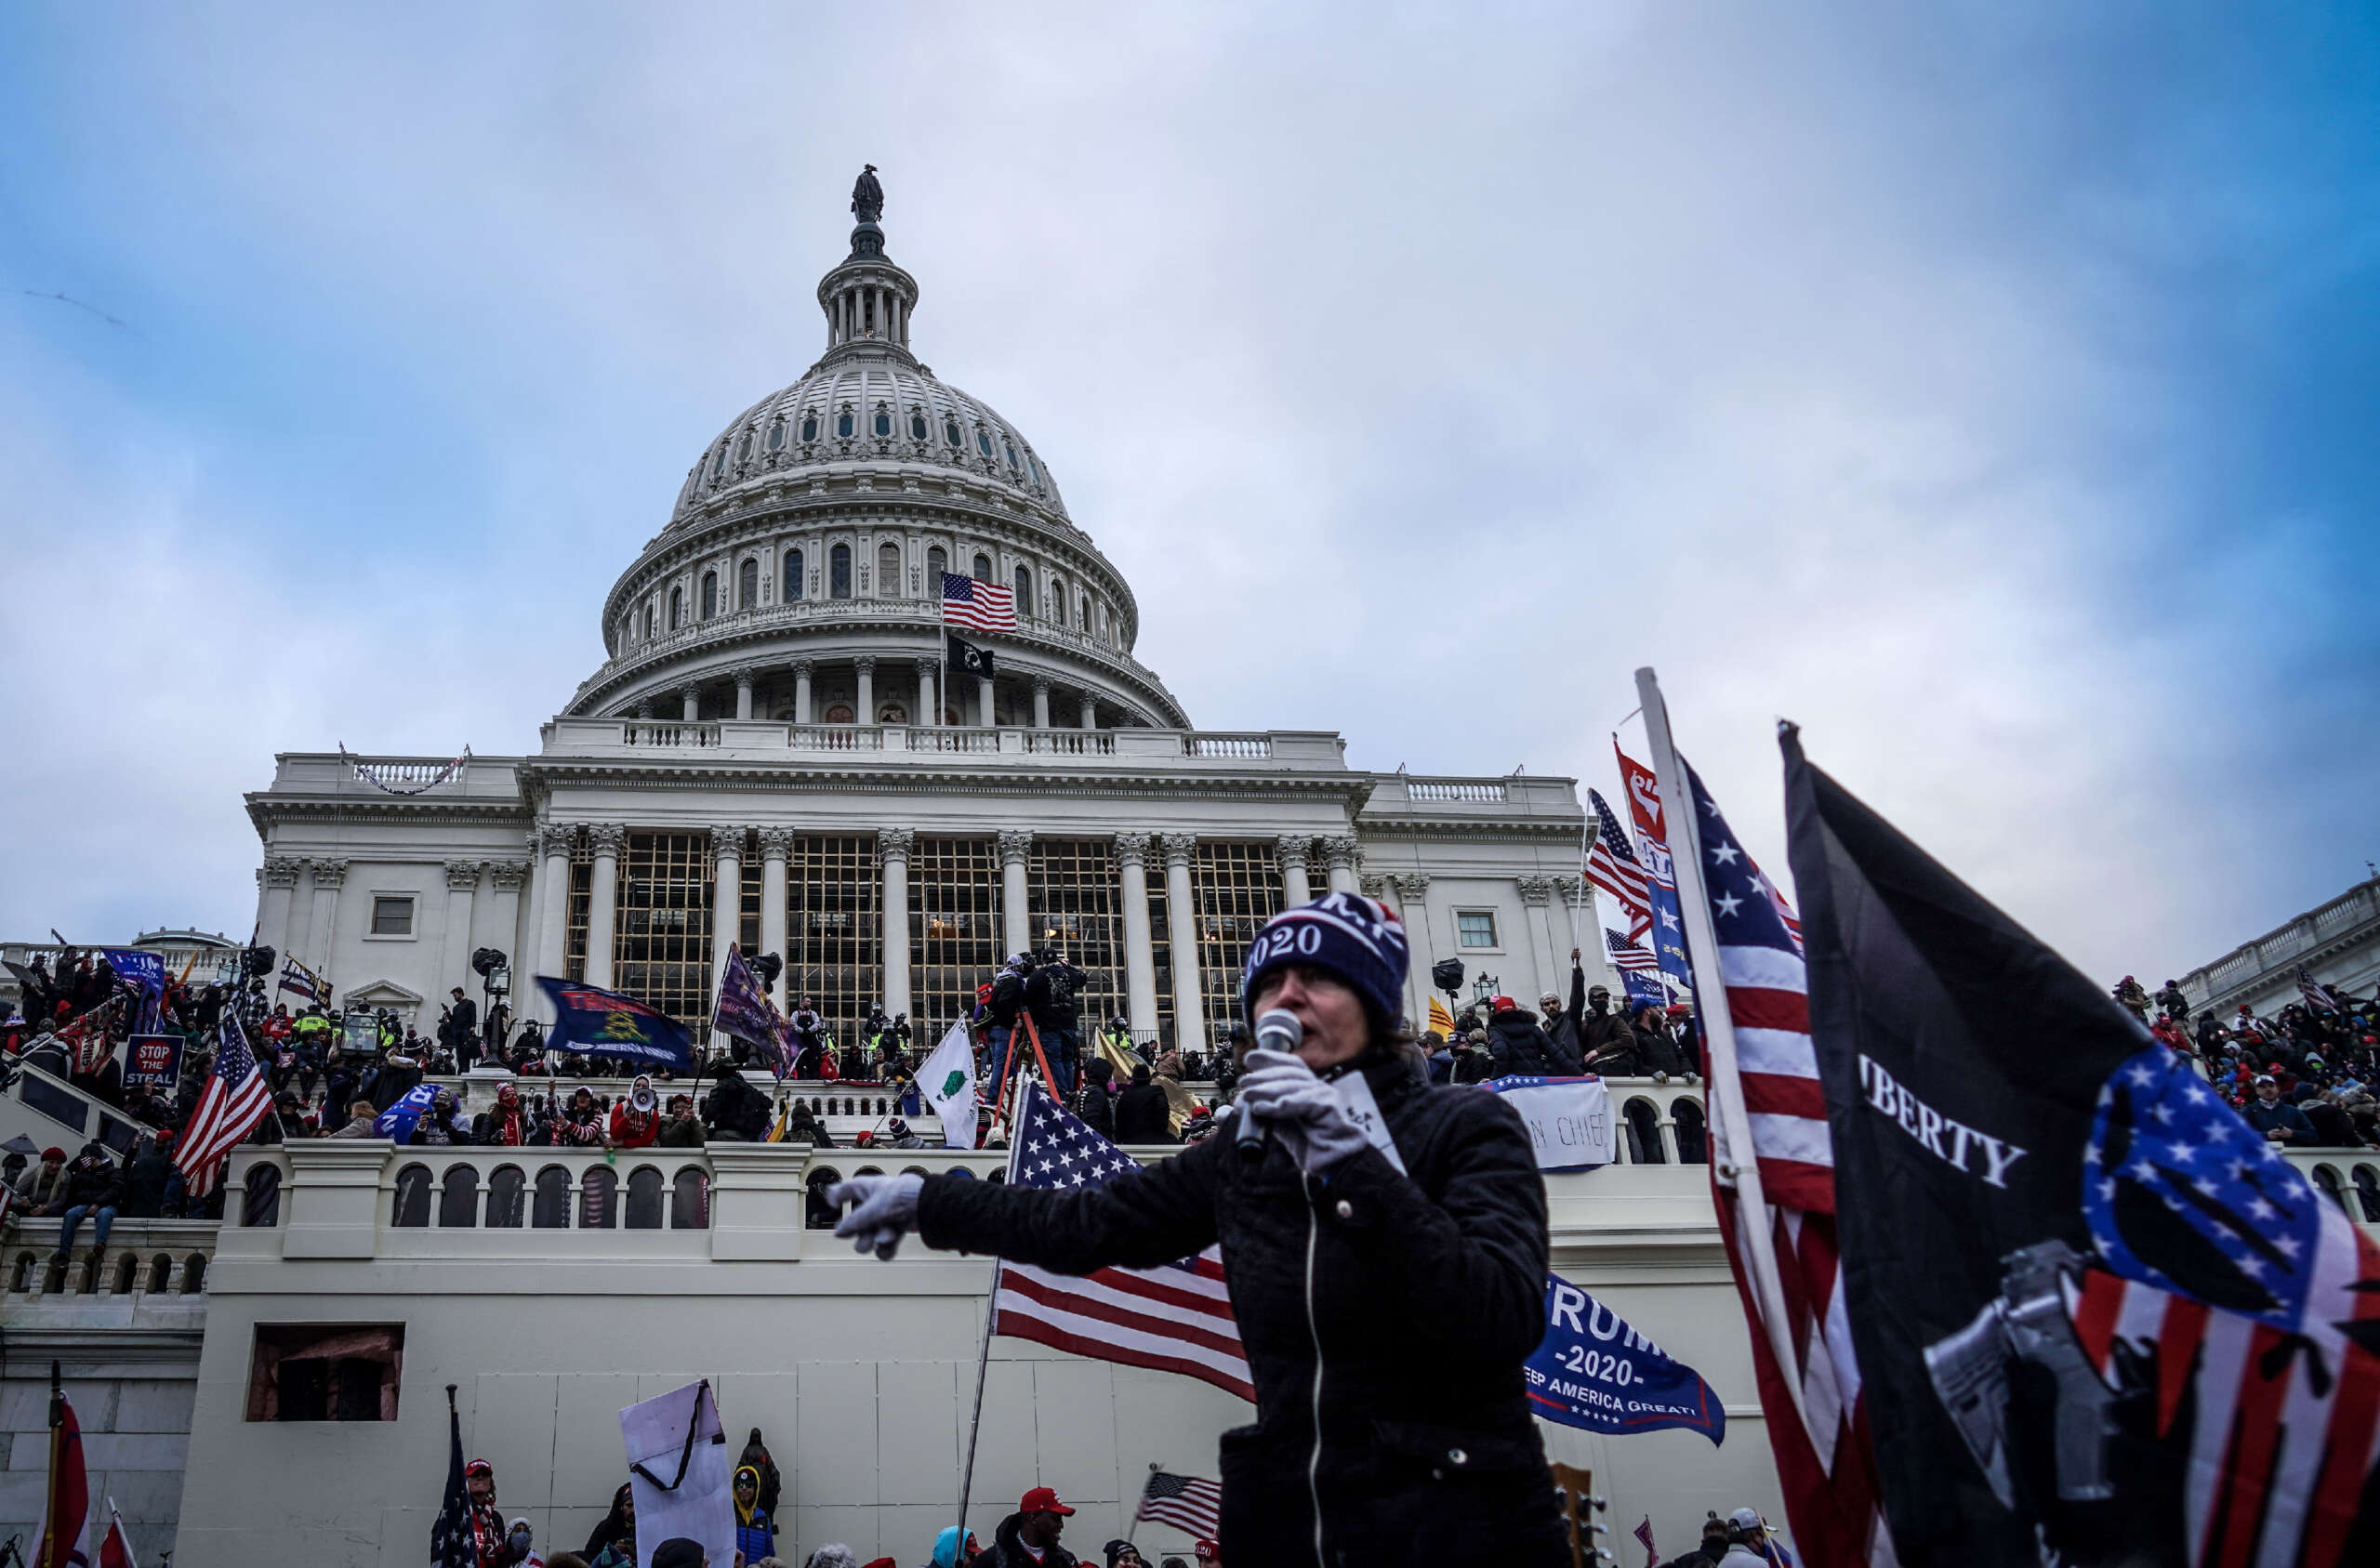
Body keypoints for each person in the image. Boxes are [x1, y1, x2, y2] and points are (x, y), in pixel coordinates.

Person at [829, 890, 1566, 1562]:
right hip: (1292, 1520)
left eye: (1319, 978)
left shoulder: (1465, 1124)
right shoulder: (1248, 1154)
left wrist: (1344, 1161)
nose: (1289, 998)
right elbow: (1090, 1220)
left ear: (1373, 1002)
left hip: (1460, 1521)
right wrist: (927, 1202)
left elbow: (1500, 1309)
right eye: (1271, 984)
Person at [50, 1141, 122, 1265]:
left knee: (104, 1215)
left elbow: (115, 1190)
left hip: (107, 1205)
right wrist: (80, 1173)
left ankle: (100, 1244)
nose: (83, 1159)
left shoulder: (112, 1171)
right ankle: (64, 1252)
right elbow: (77, 1190)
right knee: (71, 1214)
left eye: (85, 1157)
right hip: (87, 1204)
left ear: (95, 1157)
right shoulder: (84, 1173)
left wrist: (98, 1203)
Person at [979, 1487, 1078, 1568]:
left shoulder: (1066, 1560)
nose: (1061, 1525)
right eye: (1055, 1518)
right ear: (1033, 1517)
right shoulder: (992, 1561)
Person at [2241, 1074, 2318, 1145]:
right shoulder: (2248, 1111)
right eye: (2263, 1087)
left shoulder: (2292, 1110)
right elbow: (2240, 1136)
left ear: (2277, 1088)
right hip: (2262, 1156)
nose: (2268, 1089)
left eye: (2271, 1086)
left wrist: (2292, 1133)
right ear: (2257, 1091)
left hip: (2292, 1156)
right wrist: (2266, 1135)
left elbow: (2313, 1135)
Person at [1111, 1062, 1174, 1144]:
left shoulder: (1125, 1095)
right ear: (1149, 1079)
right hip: (1154, 1139)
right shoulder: (1157, 1091)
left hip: (1131, 1140)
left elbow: (1119, 1121)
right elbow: (1163, 1112)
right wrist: (1160, 1131)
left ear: (1133, 1079)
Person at [732, 1464, 774, 1565]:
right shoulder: (729, 1516)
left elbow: (770, 1554)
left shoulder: (762, 1518)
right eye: (740, 1485)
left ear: (756, 1489)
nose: (744, 1488)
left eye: (749, 1485)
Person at [610, 1076, 662, 1149]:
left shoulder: (653, 1114)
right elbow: (615, 1136)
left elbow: (647, 1141)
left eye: (644, 1086)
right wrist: (627, 1116)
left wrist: (622, 1142)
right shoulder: (620, 1108)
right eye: (638, 1085)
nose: (640, 1088)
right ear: (632, 1088)